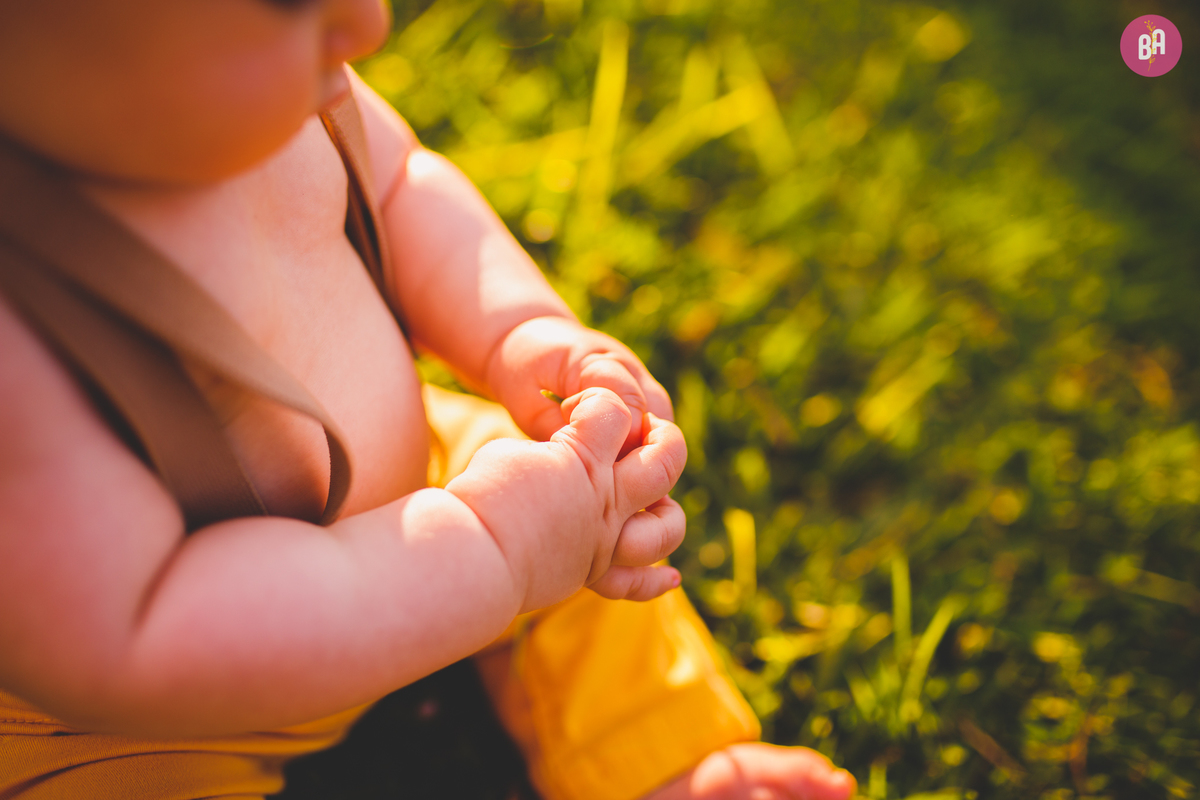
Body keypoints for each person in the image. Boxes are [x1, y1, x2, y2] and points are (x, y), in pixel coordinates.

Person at [0, 2, 858, 799]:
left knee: (573, 506)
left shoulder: (272, 90)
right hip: (146, 723)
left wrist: (520, 333)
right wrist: (489, 547)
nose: (366, 22)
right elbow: (138, 639)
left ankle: (667, 758)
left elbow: (402, 181)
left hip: (422, 495)